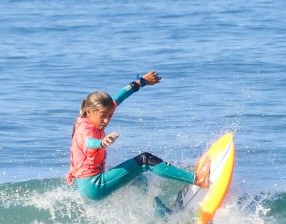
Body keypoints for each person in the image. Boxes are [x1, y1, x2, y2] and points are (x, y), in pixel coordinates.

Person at [67, 71, 210, 201]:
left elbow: (119, 97)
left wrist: (141, 81)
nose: (106, 120)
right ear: (89, 112)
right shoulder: (85, 130)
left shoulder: (93, 116)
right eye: (103, 116)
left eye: (110, 116)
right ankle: (197, 180)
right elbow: (88, 142)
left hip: (88, 183)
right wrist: (102, 143)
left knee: (139, 180)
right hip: (94, 185)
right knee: (145, 160)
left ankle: (160, 212)